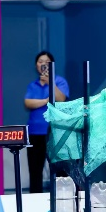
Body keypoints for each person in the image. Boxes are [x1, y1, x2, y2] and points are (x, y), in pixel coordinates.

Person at [24, 51, 69, 193]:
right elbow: (28, 103)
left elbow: (61, 99)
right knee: (35, 170)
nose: (43, 64)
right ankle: (35, 198)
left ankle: (61, 198)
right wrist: (46, 100)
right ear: (36, 65)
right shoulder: (32, 85)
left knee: (59, 169)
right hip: (34, 133)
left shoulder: (60, 81)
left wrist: (50, 82)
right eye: (40, 61)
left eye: (46, 62)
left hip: (55, 132)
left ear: (52, 65)